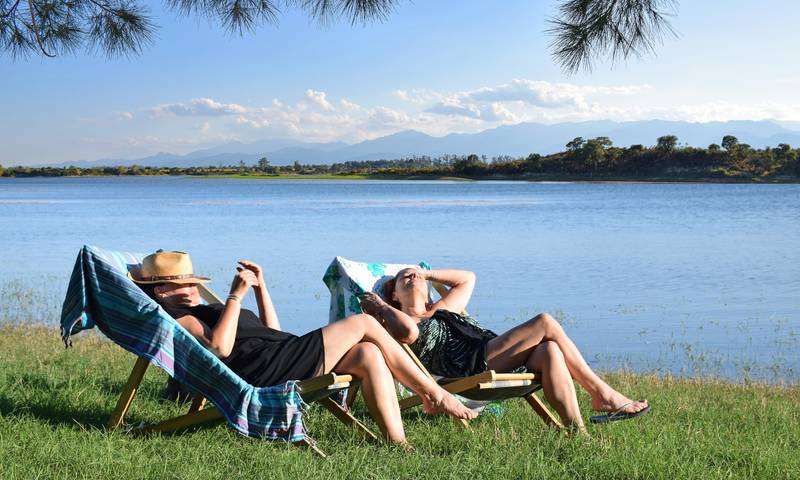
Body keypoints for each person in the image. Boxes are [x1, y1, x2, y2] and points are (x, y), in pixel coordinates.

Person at [132, 251, 476, 444]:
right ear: (161, 291)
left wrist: (261, 289)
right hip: (263, 372)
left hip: (281, 354)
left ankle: (397, 444)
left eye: (193, 282)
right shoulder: (181, 318)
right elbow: (220, 349)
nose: (193, 288)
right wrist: (235, 296)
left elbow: (272, 332)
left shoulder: (207, 309)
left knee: (368, 353)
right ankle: (435, 393)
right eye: (183, 284)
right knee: (363, 323)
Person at [359, 267, 650, 432]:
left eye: (418, 276)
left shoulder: (444, 307)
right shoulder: (397, 320)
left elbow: (467, 278)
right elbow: (407, 334)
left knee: (550, 350)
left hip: (489, 353)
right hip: (468, 368)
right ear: (394, 293)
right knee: (545, 322)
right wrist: (382, 307)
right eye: (405, 277)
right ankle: (601, 394)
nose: (414, 277)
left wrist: (426, 271)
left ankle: (578, 432)